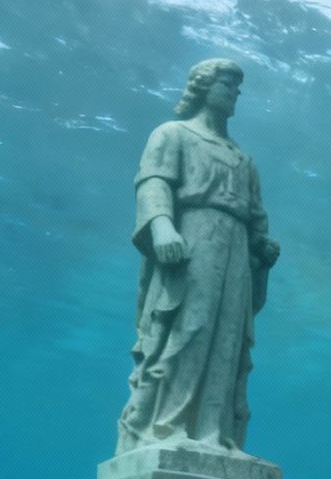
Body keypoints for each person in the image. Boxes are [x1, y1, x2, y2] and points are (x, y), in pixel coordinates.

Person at [117, 58, 281, 453]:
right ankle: (165, 426)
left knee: (229, 340)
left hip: (236, 250)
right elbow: (153, 182)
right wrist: (162, 226)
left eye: (237, 88)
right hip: (193, 238)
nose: (234, 93)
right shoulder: (172, 134)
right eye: (227, 85)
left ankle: (214, 431)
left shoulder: (243, 159)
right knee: (187, 329)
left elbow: (256, 214)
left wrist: (262, 245)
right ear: (203, 87)